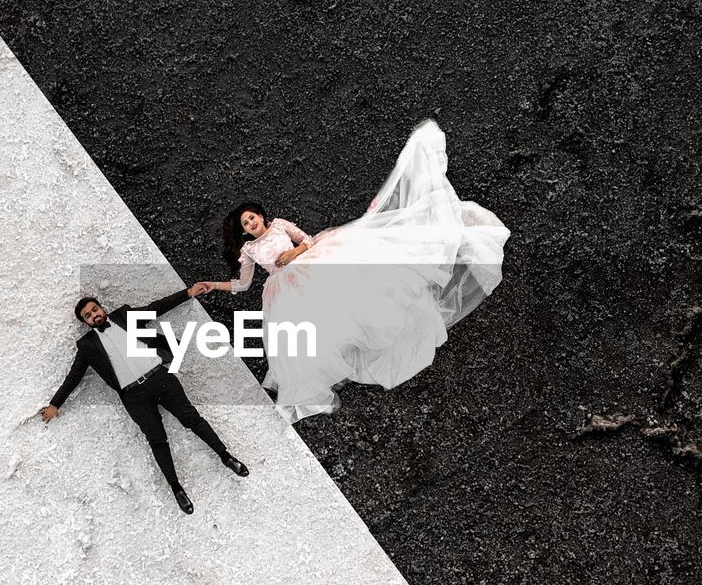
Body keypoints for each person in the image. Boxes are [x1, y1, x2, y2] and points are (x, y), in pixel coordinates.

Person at [196, 118, 510, 423]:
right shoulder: (249, 250)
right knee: (310, 335)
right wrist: (214, 285)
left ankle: (379, 332)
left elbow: (306, 239)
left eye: (252, 218)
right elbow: (242, 284)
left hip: (310, 263)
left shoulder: (279, 225)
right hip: (284, 290)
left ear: (261, 216)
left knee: (355, 298)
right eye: (246, 225)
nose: (251, 224)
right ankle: (336, 367)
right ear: (246, 233)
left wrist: (294, 251)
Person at [41, 285, 248, 513]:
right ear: (86, 323)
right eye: (88, 316)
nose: (94, 315)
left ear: (102, 308)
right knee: (157, 440)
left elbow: (156, 308)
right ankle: (176, 488)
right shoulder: (86, 346)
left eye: (95, 309)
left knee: (192, 419)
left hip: (160, 378)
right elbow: (74, 376)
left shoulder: (125, 316)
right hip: (133, 396)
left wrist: (188, 292)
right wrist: (55, 404)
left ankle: (226, 457)